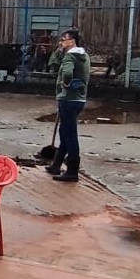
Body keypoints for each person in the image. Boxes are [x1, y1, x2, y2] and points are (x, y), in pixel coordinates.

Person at [46, 28, 90, 181]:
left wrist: (65, 84)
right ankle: (56, 165)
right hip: (78, 100)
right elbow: (56, 61)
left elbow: (67, 73)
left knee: (70, 135)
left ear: (72, 41)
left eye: (63, 40)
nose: (61, 42)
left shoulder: (71, 56)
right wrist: (60, 50)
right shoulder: (83, 55)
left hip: (68, 100)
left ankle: (72, 171)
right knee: (65, 132)